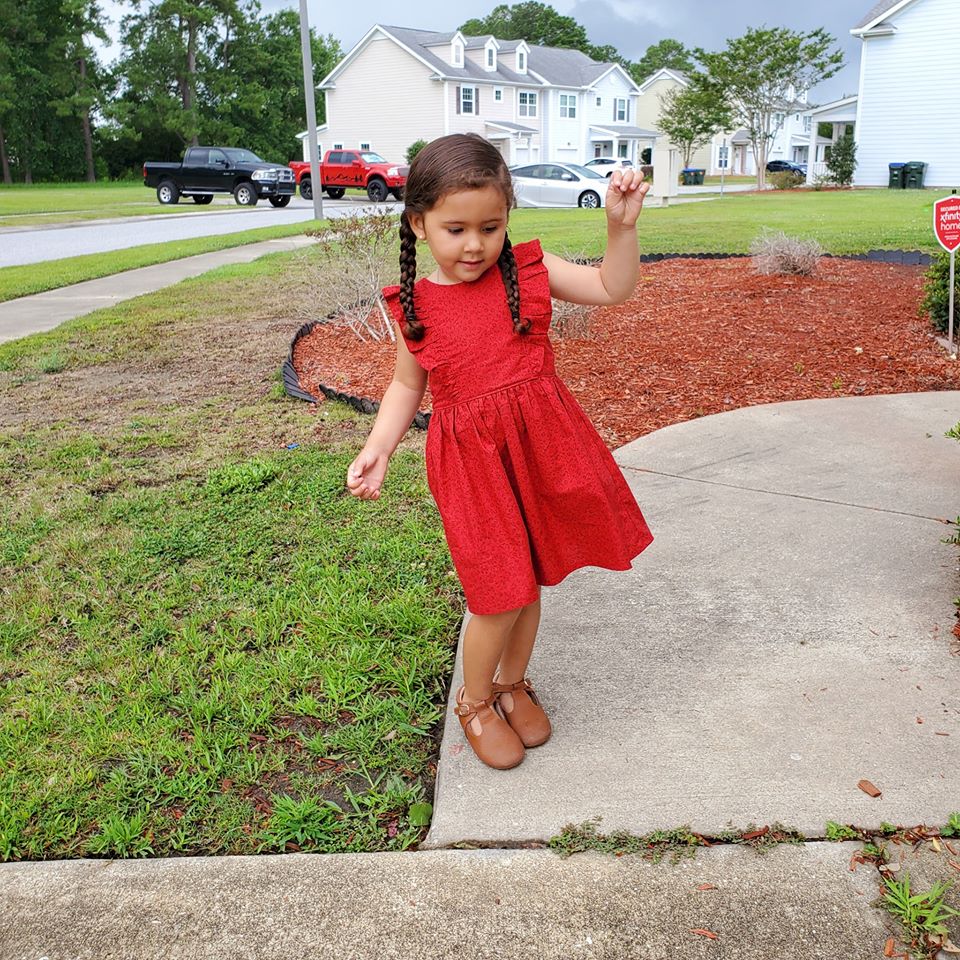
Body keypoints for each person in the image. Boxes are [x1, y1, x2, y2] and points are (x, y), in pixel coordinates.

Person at [346, 134, 654, 771]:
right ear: (418, 223)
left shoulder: (530, 272)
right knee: (497, 593)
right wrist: (379, 447)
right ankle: (476, 700)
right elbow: (406, 385)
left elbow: (611, 287)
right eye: (455, 229)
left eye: (490, 227)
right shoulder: (416, 306)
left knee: (531, 577)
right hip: (471, 468)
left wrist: (620, 229)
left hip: (539, 449)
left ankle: (513, 684)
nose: (474, 245)